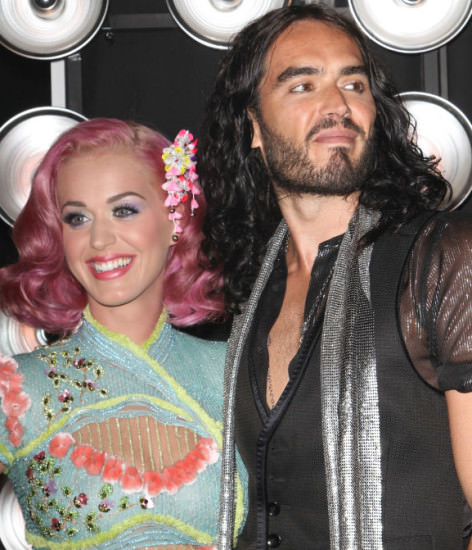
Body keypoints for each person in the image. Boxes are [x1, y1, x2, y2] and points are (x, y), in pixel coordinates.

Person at [198, 4, 472, 550]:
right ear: (252, 127)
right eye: (303, 85)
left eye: (354, 84)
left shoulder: (441, 255)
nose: (338, 106)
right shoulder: (251, 287)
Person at [0, 118, 247, 549]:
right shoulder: (19, 389)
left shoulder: (235, 371)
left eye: (124, 210)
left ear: (175, 217)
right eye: (77, 218)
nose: (99, 239)